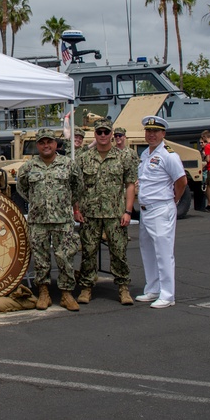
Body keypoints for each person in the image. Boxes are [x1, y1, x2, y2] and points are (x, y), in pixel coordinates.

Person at [16, 129, 83, 312]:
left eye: (49, 142)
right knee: (41, 259)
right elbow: (22, 188)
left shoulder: (68, 164)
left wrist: (65, 203)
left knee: (65, 257)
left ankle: (66, 293)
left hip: (63, 220)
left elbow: (78, 187)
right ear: (37, 145)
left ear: (56, 144)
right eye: (42, 142)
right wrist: (36, 202)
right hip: (38, 221)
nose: (46, 145)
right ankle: (43, 292)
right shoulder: (29, 167)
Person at [72, 117, 137, 305]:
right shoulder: (84, 158)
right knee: (88, 253)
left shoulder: (124, 157)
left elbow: (130, 185)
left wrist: (128, 212)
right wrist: (76, 209)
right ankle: (86, 287)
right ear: (95, 134)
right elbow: (76, 186)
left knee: (118, 252)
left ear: (111, 134)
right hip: (89, 214)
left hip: (115, 215)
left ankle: (123, 288)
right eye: (99, 132)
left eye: (106, 132)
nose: (102, 135)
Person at [134, 115, 188, 309]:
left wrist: (174, 199)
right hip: (146, 209)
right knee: (147, 250)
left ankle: (168, 294)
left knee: (163, 252)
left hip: (161, 208)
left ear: (163, 133)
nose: (151, 135)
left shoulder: (168, 154)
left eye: (155, 131)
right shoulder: (145, 154)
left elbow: (181, 181)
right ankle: (153, 288)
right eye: (148, 131)